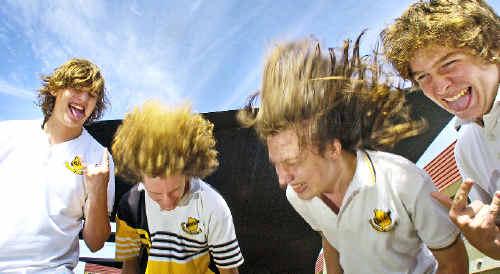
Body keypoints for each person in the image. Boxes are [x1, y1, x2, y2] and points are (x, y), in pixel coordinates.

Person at [238, 35, 468, 273]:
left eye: (292, 162)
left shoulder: (405, 182)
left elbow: (454, 264)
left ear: (332, 148)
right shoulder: (298, 196)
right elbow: (330, 234)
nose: (283, 179)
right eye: (277, 164)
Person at [381, 0, 499, 259]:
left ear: (490, 48)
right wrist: (490, 243)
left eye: (449, 63)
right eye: (423, 77)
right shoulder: (466, 148)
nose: (440, 87)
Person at [0, 58, 115, 273]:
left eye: (92, 94)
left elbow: (96, 243)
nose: (83, 98)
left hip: (51, 269)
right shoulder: (6, 134)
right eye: (77, 88)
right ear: (54, 88)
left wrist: (98, 191)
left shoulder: (98, 157)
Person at [112, 101, 244, 274]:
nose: (167, 204)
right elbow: (129, 266)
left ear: (188, 171)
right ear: (139, 176)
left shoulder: (213, 206)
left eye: (175, 191)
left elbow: (228, 271)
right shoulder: (129, 206)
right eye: (156, 194)